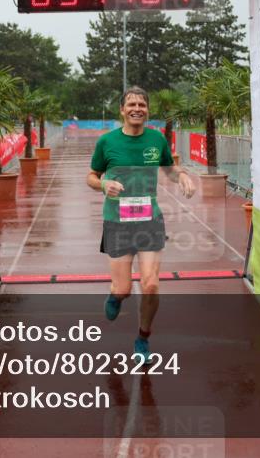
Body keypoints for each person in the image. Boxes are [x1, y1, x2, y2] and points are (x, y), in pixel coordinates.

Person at [86, 87, 195, 362]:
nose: (137, 108)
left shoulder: (157, 140)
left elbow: (169, 168)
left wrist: (182, 176)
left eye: (142, 104)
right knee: (122, 288)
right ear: (122, 110)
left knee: (151, 285)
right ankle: (115, 296)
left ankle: (142, 339)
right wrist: (103, 184)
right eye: (131, 104)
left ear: (147, 110)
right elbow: (91, 176)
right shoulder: (107, 142)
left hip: (150, 220)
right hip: (117, 222)